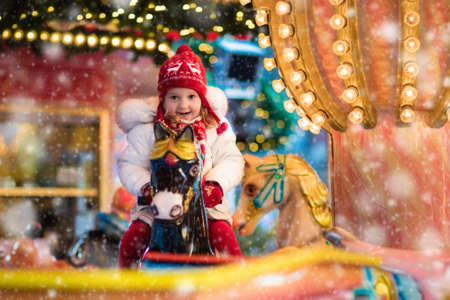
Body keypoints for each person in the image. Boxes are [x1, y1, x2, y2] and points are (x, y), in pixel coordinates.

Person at [116, 45, 244, 268]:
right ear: (162, 101)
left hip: (204, 205)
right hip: (158, 203)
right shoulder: (147, 132)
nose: (183, 105)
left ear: (202, 99)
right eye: (174, 97)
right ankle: (126, 283)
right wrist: (146, 187)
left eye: (191, 96)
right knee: (134, 238)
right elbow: (129, 164)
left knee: (223, 236)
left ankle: (240, 284)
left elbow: (232, 161)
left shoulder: (215, 130)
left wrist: (216, 184)